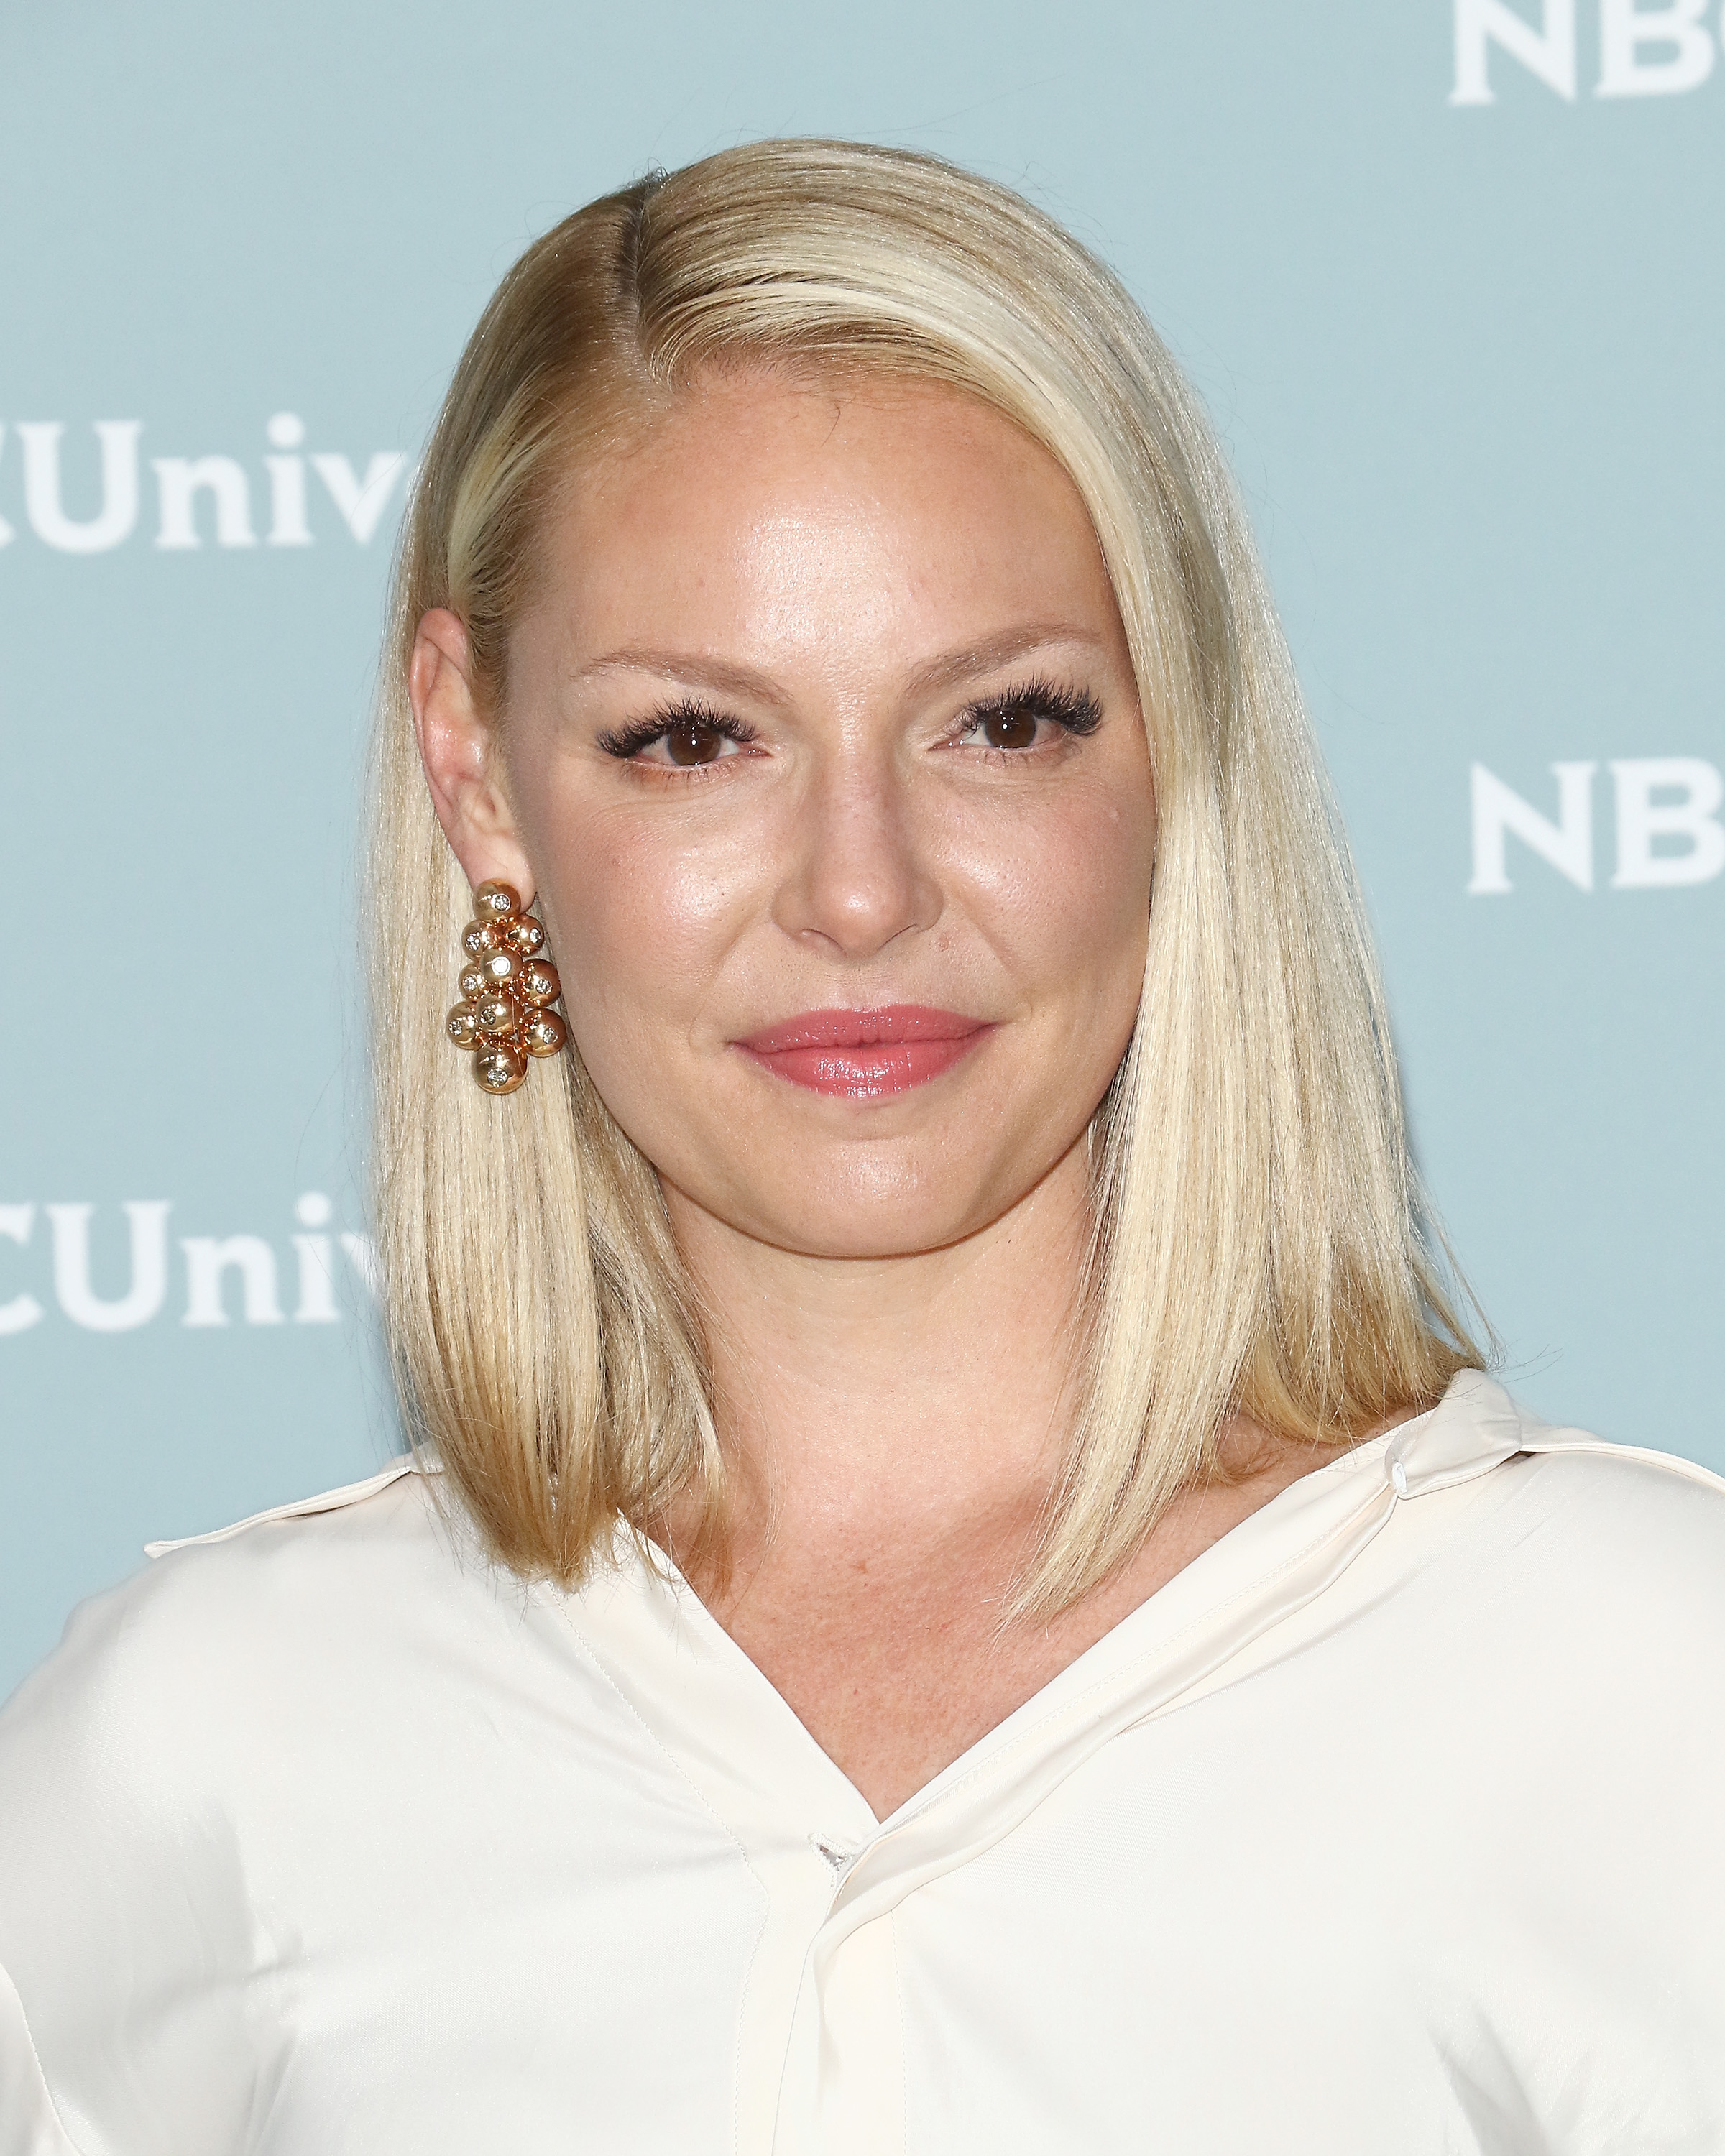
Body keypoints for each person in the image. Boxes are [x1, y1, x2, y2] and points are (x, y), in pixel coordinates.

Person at [2, 139, 1722, 2156]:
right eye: (693, 740)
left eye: (1002, 721)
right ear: (477, 775)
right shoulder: (204, 1741)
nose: (856, 892)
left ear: (1180, 745)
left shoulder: (1640, 1684)